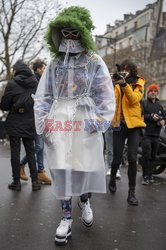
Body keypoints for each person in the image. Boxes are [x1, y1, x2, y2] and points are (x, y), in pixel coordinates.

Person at [34, 6, 115, 246]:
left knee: (83, 165)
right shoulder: (54, 63)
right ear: (58, 34)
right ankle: (66, 217)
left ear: (83, 33)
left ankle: (85, 200)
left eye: (74, 33)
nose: (69, 38)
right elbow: (44, 95)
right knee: (62, 167)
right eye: (64, 33)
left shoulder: (94, 61)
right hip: (59, 117)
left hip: (84, 118)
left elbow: (105, 93)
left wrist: (100, 119)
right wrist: (43, 123)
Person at [108, 60, 146, 206]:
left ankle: (131, 193)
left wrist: (123, 84)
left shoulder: (139, 82)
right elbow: (110, 100)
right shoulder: (116, 83)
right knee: (117, 159)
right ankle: (112, 177)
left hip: (134, 126)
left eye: (127, 69)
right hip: (118, 125)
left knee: (132, 158)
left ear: (132, 70)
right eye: (122, 69)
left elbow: (134, 99)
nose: (124, 71)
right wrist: (111, 84)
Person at [0, 60, 41, 191]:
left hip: (15, 122)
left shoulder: (12, 84)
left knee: (15, 153)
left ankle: (16, 182)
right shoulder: (35, 83)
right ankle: (35, 182)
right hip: (30, 121)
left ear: (17, 71)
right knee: (30, 152)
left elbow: (4, 106)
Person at [20, 59, 51, 185]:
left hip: (41, 118)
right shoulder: (34, 82)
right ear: (38, 69)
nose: (45, 70)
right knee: (38, 146)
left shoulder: (43, 82)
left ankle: (40, 172)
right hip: (34, 119)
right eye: (43, 68)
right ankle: (21, 165)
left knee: (40, 146)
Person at [141, 83, 165, 185]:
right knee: (146, 155)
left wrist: (162, 121)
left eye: (155, 91)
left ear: (157, 93)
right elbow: (140, 116)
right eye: (151, 91)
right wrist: (151, 117)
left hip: (156, 135)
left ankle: (150, 176)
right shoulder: (144, 103)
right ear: (148, 92)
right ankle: (145, 176)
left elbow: (163, 117)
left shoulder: (159, 106)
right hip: (146, 134)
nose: (153, 92)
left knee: (153, 156)